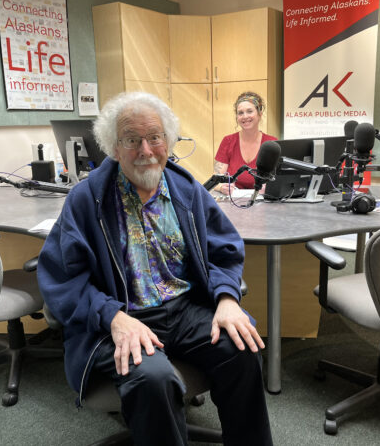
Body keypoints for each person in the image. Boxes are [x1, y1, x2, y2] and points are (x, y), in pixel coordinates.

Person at [37, 92, 272, 446]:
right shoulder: (87, 200)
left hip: (184, 309)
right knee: (154, 379)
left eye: (155, 137)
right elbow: (62, 279)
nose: (146, 150)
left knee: (242, 349)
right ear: (114, 148)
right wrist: (113, 317)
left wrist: (226, 299)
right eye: (132, 140)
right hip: (119, 315)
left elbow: (224, 250)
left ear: (168, 141)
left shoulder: (186, 189)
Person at [214, 91, 277, 194]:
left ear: (259, 114)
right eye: (240, 113)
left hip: (263, 203)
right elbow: (216, 179)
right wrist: (222, 187)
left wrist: (270, 188)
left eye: (249, 111)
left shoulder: (272, 143)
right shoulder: (228, 141)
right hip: (233, 202)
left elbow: (280, 181)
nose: (245, 116)